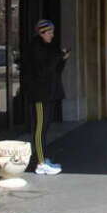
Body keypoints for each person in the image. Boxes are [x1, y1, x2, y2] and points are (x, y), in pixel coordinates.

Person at [22, 19, 69, 176]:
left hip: (49, 93)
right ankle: (40, 163)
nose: (52, 35)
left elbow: (55, 71)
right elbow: (43, 71)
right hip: (39, 95)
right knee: (40, 128)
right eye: (49, 32)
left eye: (52, 32)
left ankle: (42, 158)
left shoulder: (48, 48)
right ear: (41, 33)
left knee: (45, 127)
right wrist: (57, 57)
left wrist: (63, 59)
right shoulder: (36, 48)